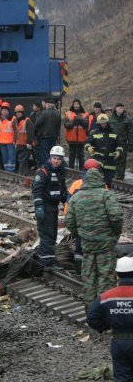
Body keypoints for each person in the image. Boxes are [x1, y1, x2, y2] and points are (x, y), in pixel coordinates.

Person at [86, 256, 133, 382]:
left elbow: (92, 316)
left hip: (119, 342)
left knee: (123, 379)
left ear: (117, 274)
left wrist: (104, 327)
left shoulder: (107, 297)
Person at [65, 164, 121, 301]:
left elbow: (69, 220)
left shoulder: (76, 198)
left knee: (89, 277)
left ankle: (91, 309)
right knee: (106, 277)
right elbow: (117, 217)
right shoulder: (107, 195)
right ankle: (105, 306)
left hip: (87, 245)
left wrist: (79, 233)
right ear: (99, 179)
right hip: (106, 245)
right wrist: (115, 234)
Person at [32, 145, 68, 269]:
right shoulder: (43, 172)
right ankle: (47, 263)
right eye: (54, 158)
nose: (56, 161)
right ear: (50, 158)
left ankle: (48, 257)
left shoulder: (60, 172)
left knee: (52, 234)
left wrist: (66, 201)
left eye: (58, 159)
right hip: (45, 207)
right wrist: (39, 207)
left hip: (54, 207)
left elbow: (62, 189)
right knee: (47, 234)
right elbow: (36, 190)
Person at [86, 113, 122, 187]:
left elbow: (120, 145)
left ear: (107, 122)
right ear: (98, 123)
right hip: (97, 161)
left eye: (104, 123)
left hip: (110, 162)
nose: (103, 125)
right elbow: (87, 142)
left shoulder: (114, 133)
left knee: (108, 182)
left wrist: (118, 151)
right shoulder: (94, 133)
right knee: (96, 180)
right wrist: (88, 147)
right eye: (101, 123)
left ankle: (107, 195)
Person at [63, 98, 89, 170]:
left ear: (80, 105)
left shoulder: (85, 114)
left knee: (81, 157)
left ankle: (81, 172)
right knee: (72, 157)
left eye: (77, 104)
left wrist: (80, 120)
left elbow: (86, 124)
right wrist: (74, 121)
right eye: (75, 104)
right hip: (71, 140)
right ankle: (71, 171)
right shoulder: (68, 114)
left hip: (81, 140)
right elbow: (66, 125)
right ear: (73, 105)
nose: (76, 105)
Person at [33, 100, 61, 165]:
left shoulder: (44, 113)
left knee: (44, 154)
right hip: (54, 137)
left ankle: (46, 168)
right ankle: (52, 167)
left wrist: (36, 133)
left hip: (44, 137)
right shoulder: (57, 113)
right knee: (52, 154)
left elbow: (37, 124)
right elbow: (58, 126)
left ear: (48, 104)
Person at [110, 103, 133, 180]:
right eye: (119, 108)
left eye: (122, 108)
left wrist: (131, 144)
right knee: (112, 159)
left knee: (122, 161)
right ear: (116, 108)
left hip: (123, 142)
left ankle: (120, 178)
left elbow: (130, 133)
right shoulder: (110, 118)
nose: (121, 109)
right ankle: (113, 176)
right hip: (112, 143)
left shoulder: (127, 119)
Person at [0, 102, 17, 172]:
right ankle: (7, 171)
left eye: (5, 110)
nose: (4, 112)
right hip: (2, 142)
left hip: (10, 142)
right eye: (3, 110)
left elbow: (16, 131)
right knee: (5, 158)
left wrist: (15, 140)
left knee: (11, 157)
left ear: (8, 110)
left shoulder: (13, 118)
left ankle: (11, 171)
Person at [14, 105, 34, 174]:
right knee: (21, 159)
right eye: (16, 112)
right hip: (19, 144)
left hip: (25, 144)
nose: (18, 114)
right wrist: (15, 141)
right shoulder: (17, 121)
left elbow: (30, 132)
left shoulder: (27, 121)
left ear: (22, 112)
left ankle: (21, 173)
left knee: (23, 159)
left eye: (19, 112)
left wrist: (29, 143)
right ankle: (24, 172)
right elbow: (16, 133)